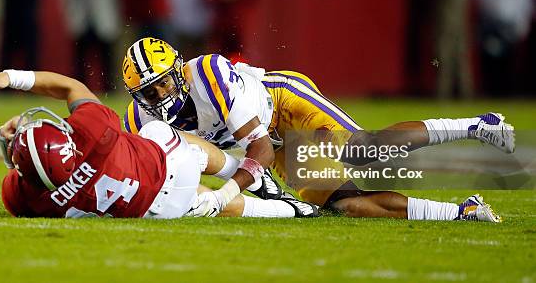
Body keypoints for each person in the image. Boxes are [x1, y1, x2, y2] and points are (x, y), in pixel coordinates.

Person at [122, 37, 510, 222]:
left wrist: (224, 195)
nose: (158, 95)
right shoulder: (140, 119)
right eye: (147, 91)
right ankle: (462, 211)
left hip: (282, 105)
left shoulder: (208, 74)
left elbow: (258, 150)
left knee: (364, 150)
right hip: (269, 146)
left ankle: (477, 124)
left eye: (163, 83)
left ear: (178, 71)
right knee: (345, 205)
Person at [0, 69, 318, 219]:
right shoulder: (90, 130)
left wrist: (19, 155)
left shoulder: (22, 197)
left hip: (156, 211)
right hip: (167, 167)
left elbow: (26, 173)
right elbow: (70, 88)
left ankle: (288, 211)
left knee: (203, 203)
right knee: (161, 134)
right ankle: (245, 173)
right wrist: (11, 77)